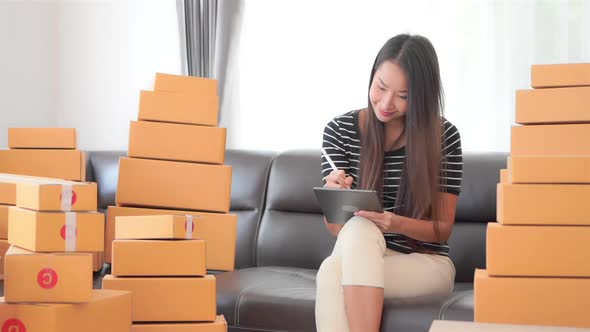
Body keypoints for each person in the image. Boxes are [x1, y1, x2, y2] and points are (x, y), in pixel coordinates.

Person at [316, 34, 463, 332]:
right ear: (372, 76)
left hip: (425, 263)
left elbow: (442, 229)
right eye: (381, 87)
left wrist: (393, 223)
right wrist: (335, 197)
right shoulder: (339, 130)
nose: (386, 103)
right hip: (362, 251)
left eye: (403, 96)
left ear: (421, 96)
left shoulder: (443, 136)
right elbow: (337, 230)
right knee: (353, 235)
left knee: (332, 272)